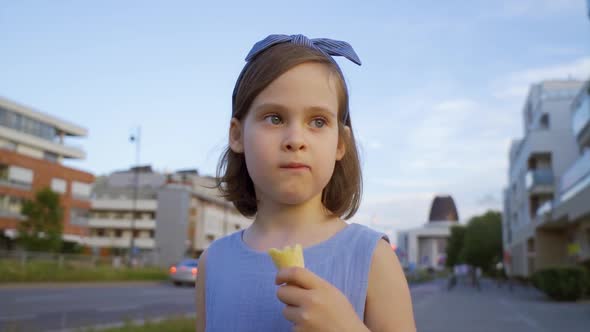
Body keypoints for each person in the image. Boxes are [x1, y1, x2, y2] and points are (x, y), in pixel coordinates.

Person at [195, 34, 416, 331]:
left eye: (318, 122)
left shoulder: (373, 258)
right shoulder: (213, 263)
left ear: (341, 143)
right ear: (236, 135)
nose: (296, 140)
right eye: (274, 118)